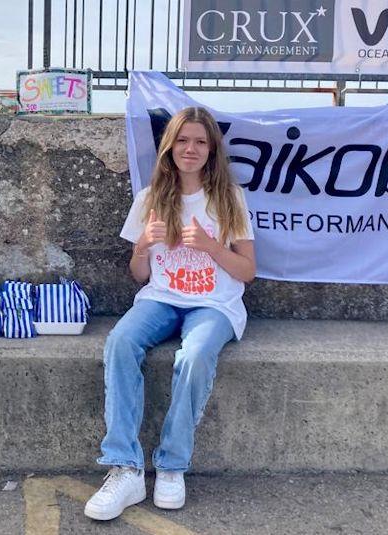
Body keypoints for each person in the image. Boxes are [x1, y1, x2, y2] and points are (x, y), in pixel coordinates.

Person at [84, 107, 256, 520]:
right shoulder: (150, 199)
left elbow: (247, 272)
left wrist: (213, 248)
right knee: (122, 342)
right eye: (182, 140)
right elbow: (139, 275)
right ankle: (124, 467)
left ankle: (171, 465)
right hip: (161, 298)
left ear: (212, 149)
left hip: (213, 304)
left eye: (200, 141)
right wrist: (141, 246)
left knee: (194, 355)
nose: (190, 149)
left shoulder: (228, 198)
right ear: (169, 147)